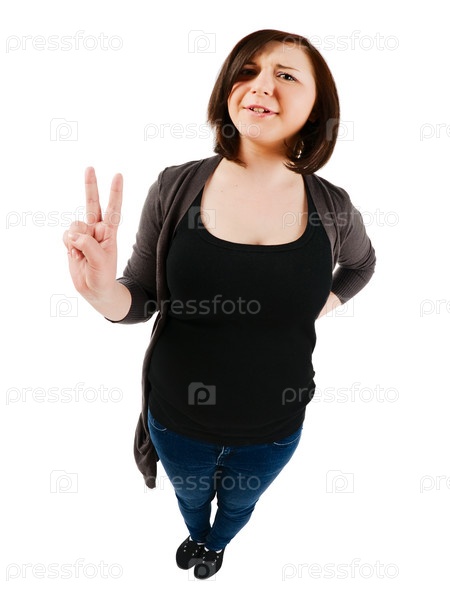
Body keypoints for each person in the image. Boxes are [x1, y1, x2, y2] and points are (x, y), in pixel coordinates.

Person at [63, 29, 376, 580]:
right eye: (247, 71)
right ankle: (194, 533)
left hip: (274, 428)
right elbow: (140, 298)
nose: (261, 86)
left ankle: (218, 543)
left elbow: (361, 266)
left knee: (238, 504)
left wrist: (318, 306)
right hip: (176, 420)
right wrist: (101, 292)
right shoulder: (175, 188)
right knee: (189, 496)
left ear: (316, 107)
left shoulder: (333, 208)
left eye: (285, 75)